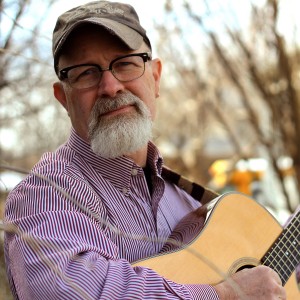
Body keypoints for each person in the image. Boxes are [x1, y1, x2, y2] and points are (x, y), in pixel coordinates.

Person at [4, 1, 288, 299]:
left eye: (125, 63)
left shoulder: (186, 204)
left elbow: (270, 282)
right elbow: (72, 291)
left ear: (155, 77)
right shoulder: (44, 196)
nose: (110, 86)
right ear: (63, 98)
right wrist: (223, 295)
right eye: (85, 73)